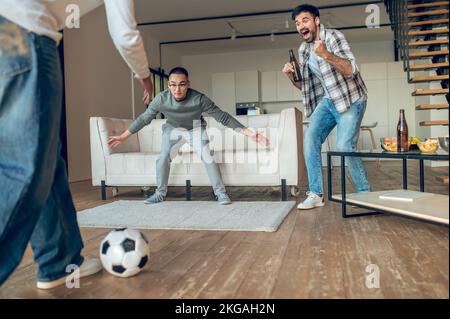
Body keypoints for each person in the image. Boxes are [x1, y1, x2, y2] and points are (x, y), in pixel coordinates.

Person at [0, 0, 153, 289]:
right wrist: (145, 77)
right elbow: (124, 33)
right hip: (20, 33)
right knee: (25, 168)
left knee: (46, 159)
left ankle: (60, 262)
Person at [108, 67, 270, 205]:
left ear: (188, 84)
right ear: (168, 85)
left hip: (195, 128)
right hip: (172, 129)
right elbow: (144, 119)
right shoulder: (161, 99)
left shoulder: (199, 99)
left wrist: (248, 133)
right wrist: (122, 137)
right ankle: (160, 194)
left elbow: (223, 117)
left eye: (181, 85)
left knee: (207, 156)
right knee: (163, 157)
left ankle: (220, 193)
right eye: (173, 85)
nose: (177, 89)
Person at [282, 4, 371, 210]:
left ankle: (365, 194)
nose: (300, 26)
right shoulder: (303, 49)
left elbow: (351, 69)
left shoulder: (333, 37)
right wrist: (290, 77)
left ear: (317, 21)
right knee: (310, 138)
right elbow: (305, 86)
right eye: (297, 23)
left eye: (305, 20)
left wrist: (325, 54)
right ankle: (316, 194)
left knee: (343, 147)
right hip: (329, 100)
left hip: (351, 99)